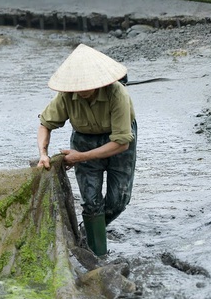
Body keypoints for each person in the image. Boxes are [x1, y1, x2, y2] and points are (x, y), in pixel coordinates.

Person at [36, 44, 137, 256]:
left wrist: (80, 157)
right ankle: (98, 255)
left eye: (86, 86)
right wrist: (43, 154)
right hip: (84, 139)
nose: (81, 91)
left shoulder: (117, 94)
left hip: (118, 142)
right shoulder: (66, 96)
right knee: (91, 203)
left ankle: (86, 231)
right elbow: (45, 124)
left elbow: (122, 142)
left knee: (119, 200)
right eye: (76, 86)